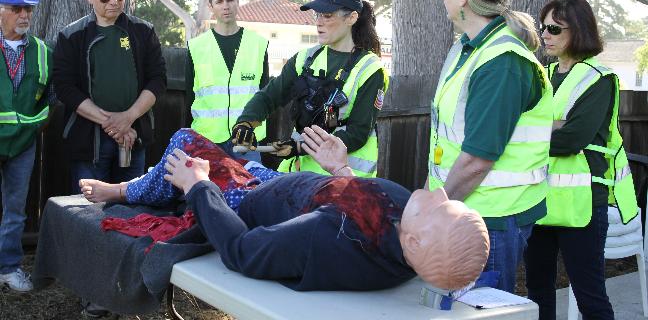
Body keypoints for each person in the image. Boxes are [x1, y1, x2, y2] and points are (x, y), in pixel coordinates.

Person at [80, 125, 490, 292]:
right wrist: (342, 170)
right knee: (246, 159)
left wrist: (200, 187)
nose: (441, 194)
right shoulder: (402, 231)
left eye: (440, 209)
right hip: (284, 185)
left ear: (415, 242)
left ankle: (123, 190)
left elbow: (243, 252)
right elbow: (364, 205)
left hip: (248, 201)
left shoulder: (330, 237)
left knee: (184, 144)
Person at [427, 0, 553, 293]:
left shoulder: (502, 63)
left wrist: (435, 211)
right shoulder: (467, 48)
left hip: (491, 220)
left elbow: (477, 160)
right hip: (467, 210)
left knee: (480, 311)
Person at [524, 0, 637, 320]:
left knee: (590, 298)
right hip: (538, 201)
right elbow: (517, 125)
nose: (545, 35)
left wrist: (536, 131)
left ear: (578, 30)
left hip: (583, 206)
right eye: (543, 27)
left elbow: (573, 139)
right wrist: (553, 126)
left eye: (554, 29)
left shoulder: (599, 79)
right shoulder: (541, 75)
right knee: (537, 293)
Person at [231, 0, 388, 178]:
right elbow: (269, 96)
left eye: (327, 15)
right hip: (299, 174)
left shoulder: (371, 69)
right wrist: (246, 123)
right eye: (317, 14)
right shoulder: (305, 58)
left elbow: (357, 133)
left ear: (352, 18)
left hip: (343, 180)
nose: (319, 22)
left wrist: (300, 146)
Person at [53, 0, 166, 193]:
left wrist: (129, 117)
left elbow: (158, 79)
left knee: (132, 207)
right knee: (87, 208)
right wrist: (115, 125)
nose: (113, 2)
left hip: (134, 137)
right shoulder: (71, 36)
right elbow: (64, 87)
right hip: (89, 143)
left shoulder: (143, 31)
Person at [0, 0, 55, 292]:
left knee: (15, 211)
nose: (24, 15)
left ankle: (8, 268)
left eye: (28, 10)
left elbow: (51, 98)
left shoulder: (42, 51)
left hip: (22, 145)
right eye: (16, 9)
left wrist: (35, 127)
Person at [186, 0, 269, 161]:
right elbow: (189, 99)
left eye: (230, 0)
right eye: (219, 2)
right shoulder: (196, 47)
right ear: (211, 6)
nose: (226, 6)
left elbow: (265, 96)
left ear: (237, 2)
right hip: (206, 140)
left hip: (247, 139)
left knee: (250, 181)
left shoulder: (258, 45)